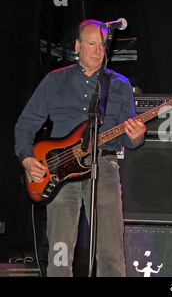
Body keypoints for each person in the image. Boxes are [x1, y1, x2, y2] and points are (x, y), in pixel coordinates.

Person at [15, 19, 146, 276]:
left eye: (102, 45)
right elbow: (25, 125)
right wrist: (28, 159)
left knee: (111, 251)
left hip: (104, 166)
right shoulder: (54, 81)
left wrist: (135, 137)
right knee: (60, 252)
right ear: (77, 46)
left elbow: (127, 138)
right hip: (59, 171)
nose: (98, 51)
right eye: (91, 44)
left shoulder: (118, 83)